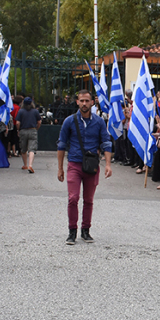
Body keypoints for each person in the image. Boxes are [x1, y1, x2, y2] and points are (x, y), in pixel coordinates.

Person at [57, 90, 113, 245]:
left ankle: (86, 230)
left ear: (92, 102)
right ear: (77, 102)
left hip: (92, 165)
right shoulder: (69, 121)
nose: (84, 104)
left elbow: (106, 142)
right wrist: (60, 168)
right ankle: (72, 231)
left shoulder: (99, 122)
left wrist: (108, 164)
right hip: (74, 163)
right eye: (81, 100)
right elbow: (61, 144)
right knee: (73, 198)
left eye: (87, 101)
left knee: (88, 200)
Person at [15, 97, 42, 174]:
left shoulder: (21, 111)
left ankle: (25, 165)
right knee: (32, 149)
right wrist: (36, 128)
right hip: (32, 130)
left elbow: (17, 123)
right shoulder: (35, 111)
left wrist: (18, 130)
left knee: (23, 149)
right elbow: (39, 121)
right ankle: (30, 165)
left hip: (23, 131)